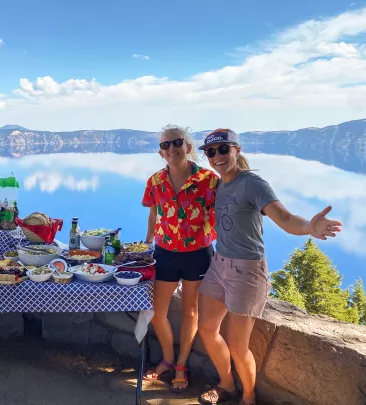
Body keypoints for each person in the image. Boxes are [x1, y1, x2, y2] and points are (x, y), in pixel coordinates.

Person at [196, 129, 342, 405]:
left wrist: (310, 227)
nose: (217, 157)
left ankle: (249, 397)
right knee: (206, 329)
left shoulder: (253, 184)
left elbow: (285, 218)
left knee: (238, 346)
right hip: (219, 266)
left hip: (247, 272)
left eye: (223, 149)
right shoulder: (220, 185)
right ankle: (226, 385)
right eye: (211, 152)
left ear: (237, 150)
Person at [141, 125, 219, 393]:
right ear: (161, 153)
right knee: (156, 313)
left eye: (177, 143)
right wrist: (147, 242)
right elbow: (153, 213)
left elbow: (225, 212)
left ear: (188, 147)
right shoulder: (155, 181)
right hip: (164, 253)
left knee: (191, 312)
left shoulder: (209, 180)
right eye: (165, 145)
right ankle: (168, 359)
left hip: (198, 254)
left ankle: (181, 366)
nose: (171, 148)